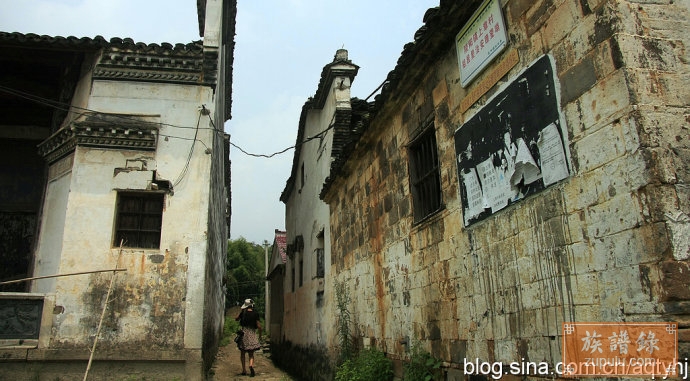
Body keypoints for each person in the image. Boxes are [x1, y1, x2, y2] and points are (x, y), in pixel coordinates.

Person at [235, 298, 262, 377]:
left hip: (244, 333)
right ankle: (251, 365)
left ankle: (244, 370)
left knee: (242, 352)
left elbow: (236, 319)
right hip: (252, 333)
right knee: (251, 353)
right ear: (252, 305)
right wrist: (260, 335)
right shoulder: (255, 313)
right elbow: (259, 326)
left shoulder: (243, 313)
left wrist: (239, 313)